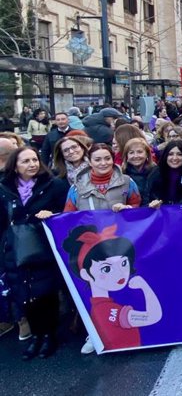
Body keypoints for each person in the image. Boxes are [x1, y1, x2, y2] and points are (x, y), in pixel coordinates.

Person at [0, 147, 68, 359]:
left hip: (44, 246)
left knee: (46, 292)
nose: (32, 164)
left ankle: (49, 335)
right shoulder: (4, 188)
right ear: (15, 166)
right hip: (15, 248)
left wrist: (52, 215)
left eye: (34, 159)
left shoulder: (54, 185)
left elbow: (66, 213)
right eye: (26, 161)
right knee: (25, 294)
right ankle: (36, 335)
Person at [62, 225, 162, 351]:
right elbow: (153, 317)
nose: (120, 273)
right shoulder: (107, 311)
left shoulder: (101, 307)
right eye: (107, 268)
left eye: (123, 263)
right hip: (128, 366)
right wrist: (144, 287)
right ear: (86, 274)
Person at [64, 144, 141, 212]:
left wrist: (127, 208)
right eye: (97, 160)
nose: (103, 163)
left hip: (121, 227)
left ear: (113, 160)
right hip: (90, 228)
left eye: (107, 158)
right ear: (90, 162)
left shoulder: (126, 181)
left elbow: (137, 206)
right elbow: (68, 216)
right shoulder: (77, 187)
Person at [147, 140, 182, 206]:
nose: (174, 158)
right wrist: (152, 204)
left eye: (179, 154)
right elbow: (148, 196)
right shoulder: (155, 173)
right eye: (170, 154)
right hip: (162, 213)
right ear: (165, 156)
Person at [121, 138, 157, 205]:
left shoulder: (155, 171)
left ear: (147, 154)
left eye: (139, 152)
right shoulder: (122, 173)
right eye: (131, 152)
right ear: (127, 156)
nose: (136, 156)